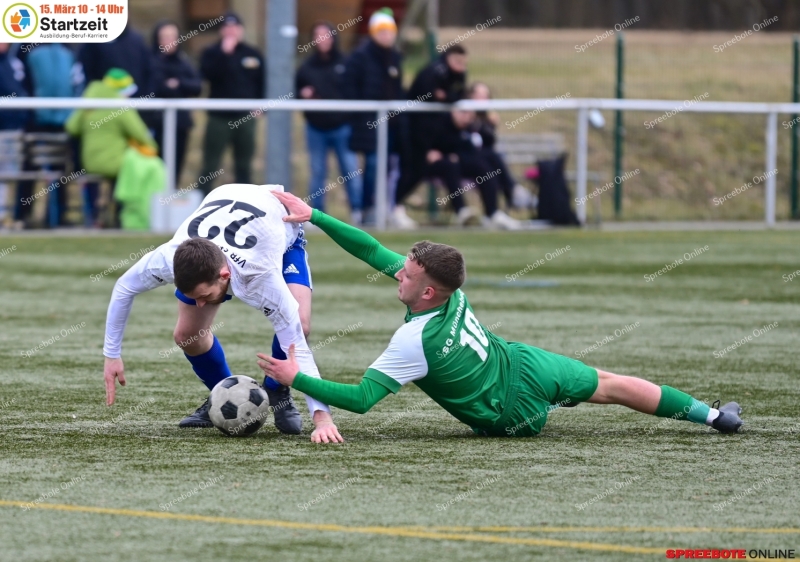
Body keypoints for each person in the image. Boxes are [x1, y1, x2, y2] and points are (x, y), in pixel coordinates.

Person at [259, 191, 745, 437]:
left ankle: (713, 416)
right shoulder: (449, 293)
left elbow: (363, 399)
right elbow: (371, 250)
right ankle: (714, 417)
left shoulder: (414, 341)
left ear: (428, 290)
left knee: (606, 384)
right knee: (609, 383)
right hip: (522, 365)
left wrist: (295, 376)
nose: (395, 273)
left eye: (405, 274)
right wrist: (316, 216)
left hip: (507, 412)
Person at [102, 183, 343, 444]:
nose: (201, 305)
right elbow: (124, 287)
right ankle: (223, 394)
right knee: (187, 336)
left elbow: (297, 342)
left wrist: (322, 419)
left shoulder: (260, 275)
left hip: (280, 228)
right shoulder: (168, 257)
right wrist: (111, 355)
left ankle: (277, 390)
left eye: (204, 297)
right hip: (225, 205)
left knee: (301, 325)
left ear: (224, 276)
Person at [64, 68, 157, 227]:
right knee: (128, 172)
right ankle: (119, 216)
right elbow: (140, 133)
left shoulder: (89, 102)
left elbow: (71, 127)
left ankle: (93, 216)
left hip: (89, 163)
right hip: (116, 165)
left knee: (95, 180)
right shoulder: (121, 107)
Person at [394, 45, 468, 229]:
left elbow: (457, 95)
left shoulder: (457, 74)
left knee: (425, 170)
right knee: (412, 172)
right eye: (457, 61)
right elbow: (431, 96)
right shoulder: (433, 72)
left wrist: (446, 96)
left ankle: (462, 211)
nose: (460, 66)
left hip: (432, 137)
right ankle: (393, 208)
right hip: (414, 134)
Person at [296, 21, 363, 224]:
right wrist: (305, 96)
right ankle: (316, 216)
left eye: (326, 35)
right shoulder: (306, 66)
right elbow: (297, 91)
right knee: (317, 172)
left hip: (342, 126)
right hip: (316, 128)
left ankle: (357, 212)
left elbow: (354, 91)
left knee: (350, 170)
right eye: (318, 35)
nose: (322, 39)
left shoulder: (346, 63)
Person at [343, 8, 405, 226]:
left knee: (385, 166)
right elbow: (350, 89)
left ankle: (384, 208)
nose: (386, 36)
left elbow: (396, 90)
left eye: (389, 31)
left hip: (390, 124)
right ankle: (366, 208)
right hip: (367, 123)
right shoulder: (360, 57)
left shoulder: (395, 57)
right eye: (381, 31)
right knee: (372, 165)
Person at [15, 42, 83, 228]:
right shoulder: (26, 48)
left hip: (63, 122)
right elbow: (21, 83)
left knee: (61, 171)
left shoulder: (69, 49)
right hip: (35, 123)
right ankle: (22, 215)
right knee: (29, 169)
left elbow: (77, 83)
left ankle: (59, 216)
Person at [199, 11, 264, 191]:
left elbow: (262, 83)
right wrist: (224, 55)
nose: (231, 31)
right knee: (210, 165)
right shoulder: (212, 53)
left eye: (235, 27)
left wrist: (262, 107)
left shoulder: (252, 53)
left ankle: (244, 209)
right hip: (219, 118)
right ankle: (201, 206)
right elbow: (207, 75)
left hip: (245, 117)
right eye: (227, 28)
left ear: (241, 30)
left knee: (244, 166)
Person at [427, 109, 521, 229]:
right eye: (463, 113)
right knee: (451, 165)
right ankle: (462, 212)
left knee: (486, 166)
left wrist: (489, 125)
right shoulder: (440, 124)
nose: (466, 118)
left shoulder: (471, 127)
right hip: (441, 165)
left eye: (469, 114)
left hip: (463, 162)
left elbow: (484, 144)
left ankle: (493, 212)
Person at [148, 20, 202, 185]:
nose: (169, 41)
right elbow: (155, 87)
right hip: (156, 124)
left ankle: (171, 203)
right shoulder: (150, 61)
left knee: (175, 168)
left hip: (180, 125)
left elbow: (197, 87)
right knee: (156, 168)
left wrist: (178, 83)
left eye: (173, 36)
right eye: (164, 37)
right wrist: (173, 86)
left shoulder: (183, 61)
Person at [468, 81, 531, 210]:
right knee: (492, 158)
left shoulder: (488, 118)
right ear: (470, 96)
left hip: (485, 162)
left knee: (493, 160)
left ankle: (510, 197)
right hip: (467, 159)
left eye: (485, 96)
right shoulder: (464, 113)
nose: (482, 99)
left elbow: (488, 142)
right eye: (479, 95)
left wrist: (490, 125)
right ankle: (513, 192)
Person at [0, 43, 29, 226]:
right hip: (6, 125)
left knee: (6, 174)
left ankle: (3, 214)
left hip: (11, 127)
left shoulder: (10, 62)